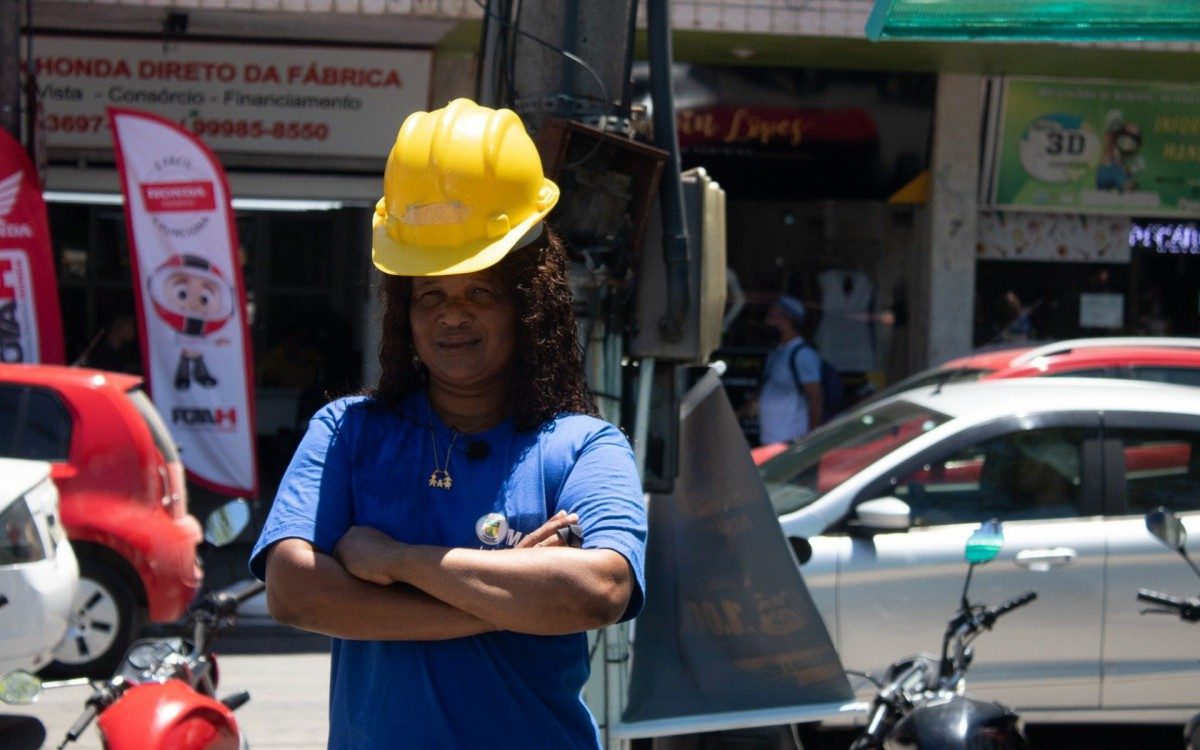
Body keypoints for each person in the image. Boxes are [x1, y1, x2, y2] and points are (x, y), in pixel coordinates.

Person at [248, 98, 647, 750]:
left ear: (527, 304)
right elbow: (294, 593)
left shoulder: (583, 446)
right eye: (430, 294)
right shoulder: (347, 430)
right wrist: (504, 599)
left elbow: (597, 591)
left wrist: (395, 559)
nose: (450, 316)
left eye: (478, 293)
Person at [745, 295, 823, 444]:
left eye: (772, 317)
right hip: (770, 438)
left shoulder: (802, 355)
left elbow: (815, 397)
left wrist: (812, 438)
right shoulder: (776, 352)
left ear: (788, 320)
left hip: (792, 439)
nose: (767, 322)